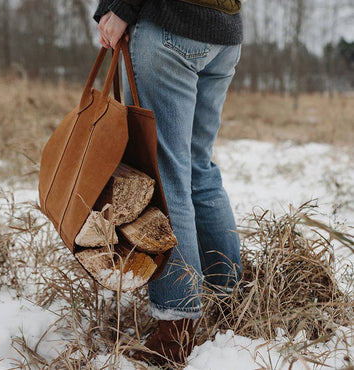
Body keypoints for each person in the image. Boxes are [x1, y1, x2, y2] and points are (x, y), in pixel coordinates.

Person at [93, 0, 243, 365]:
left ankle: (176, 329)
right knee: (197, 168)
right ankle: (229, 301)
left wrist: (122, 7)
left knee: (167, 177)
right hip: (224, 31)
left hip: (169, 25)